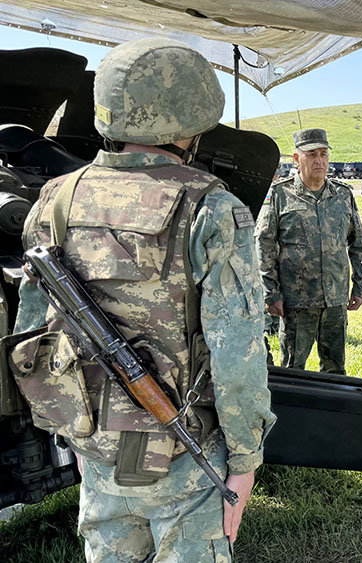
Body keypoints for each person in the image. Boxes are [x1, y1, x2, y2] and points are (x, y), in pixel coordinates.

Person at [12, 38, 275, 562]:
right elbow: (237, 352)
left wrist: (74, 430)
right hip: (186, 456)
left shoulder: (55, 199)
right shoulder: (213, 207)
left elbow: (32, 335)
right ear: (193, 119)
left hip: (96, 449)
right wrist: (245, 460)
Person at [255, 128, 362, 374]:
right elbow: (263, 245)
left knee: (336, 371)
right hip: (296, 302)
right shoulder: (279, 195)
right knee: (293, 370)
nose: (319, 161)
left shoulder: (342, 195)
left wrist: (359, 286)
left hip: (335, 299)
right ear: (297, 159)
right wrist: (271, 293)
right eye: (312, 155)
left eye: (323, 154)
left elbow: (358, 244)